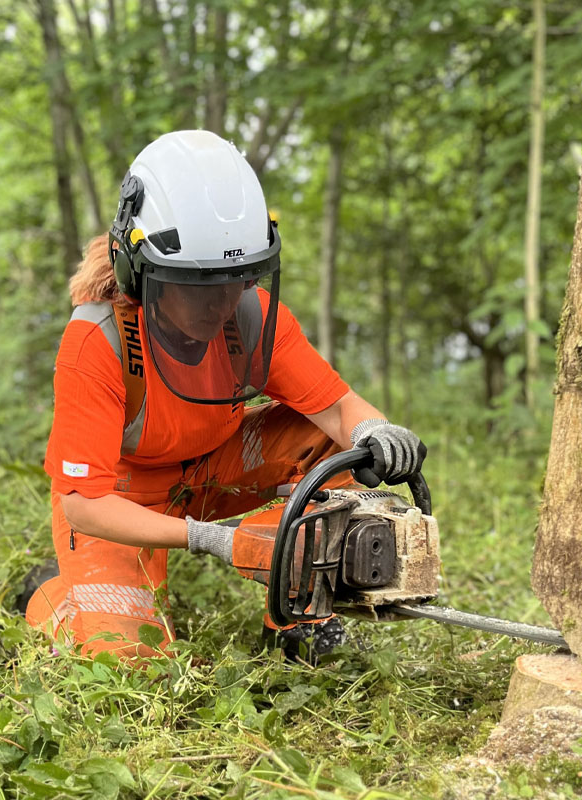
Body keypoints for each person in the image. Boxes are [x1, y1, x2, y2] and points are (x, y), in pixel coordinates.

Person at [23, 130, 426, 661]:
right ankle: (51, 596)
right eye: (197, 286)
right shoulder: (97, 343)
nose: (219, 305)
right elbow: (83, 504)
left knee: (335, 444)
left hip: (217, 467)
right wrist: (211, 538)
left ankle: (300, 616)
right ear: (140, 271)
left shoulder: (253, 316)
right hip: (120, 498)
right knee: (128, 662)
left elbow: (335, 408)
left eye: (233, 281)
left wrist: (374, 430)